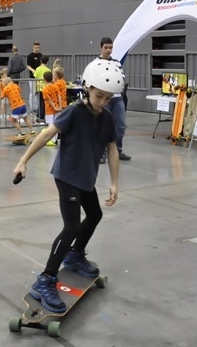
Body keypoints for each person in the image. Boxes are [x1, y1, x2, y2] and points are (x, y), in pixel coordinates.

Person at [12, 58, 122, 313]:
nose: (103, 102)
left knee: (94, 214)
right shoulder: (74, 112)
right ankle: (45, 279)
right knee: (71, 226)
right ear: (87, 88)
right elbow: (46, 134)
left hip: (86, 178)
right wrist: (23, 161)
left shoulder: (107, 119)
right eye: (99, 96)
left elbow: (113, 150)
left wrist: (115, 183)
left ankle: (75, 255)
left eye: (108, 98)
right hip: (67, 176)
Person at [97, 38, 131, 163]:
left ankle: (118, 150)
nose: (108, 50)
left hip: (116, 98)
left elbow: (121, 78)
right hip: (103, 100)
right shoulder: (96, 64)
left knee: (120, 125)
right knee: (103, 126)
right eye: (106, 48)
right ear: (101, 48)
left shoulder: (117, 63)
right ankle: (101, 153)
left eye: (110, 48)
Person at [41, 70, 62, 145]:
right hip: (57, 107)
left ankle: (53, 140)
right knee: (56, 124)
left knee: (51, 125)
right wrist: (59, 106)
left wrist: (54, 107)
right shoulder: (55, 86)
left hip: (49, 109)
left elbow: (49, 100)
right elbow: (59, 96)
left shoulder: (45, 90)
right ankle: (55, 139)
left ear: (44, 79)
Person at [26, 42, 43, 116]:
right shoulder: (30, 56)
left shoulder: (40, 55)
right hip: (32, 77)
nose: (36, 49)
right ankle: (32, 108)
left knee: (38, 93)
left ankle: (38, 107)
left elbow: (42, 64)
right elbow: (28, 66)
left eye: (38, 47)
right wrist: (33, 70)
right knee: (32, 93)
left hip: (39, 77)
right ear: (33, 47)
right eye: (35, 47)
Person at [34, 56, 51, 123]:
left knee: (40, 102)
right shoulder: (48, 70)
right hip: (46, 88)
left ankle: (40, 115)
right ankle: (41, 115)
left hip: (39, 88)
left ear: (41, 61)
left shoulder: (37, 69)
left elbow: (36, 80)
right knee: (43, 103)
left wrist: (36, 88)